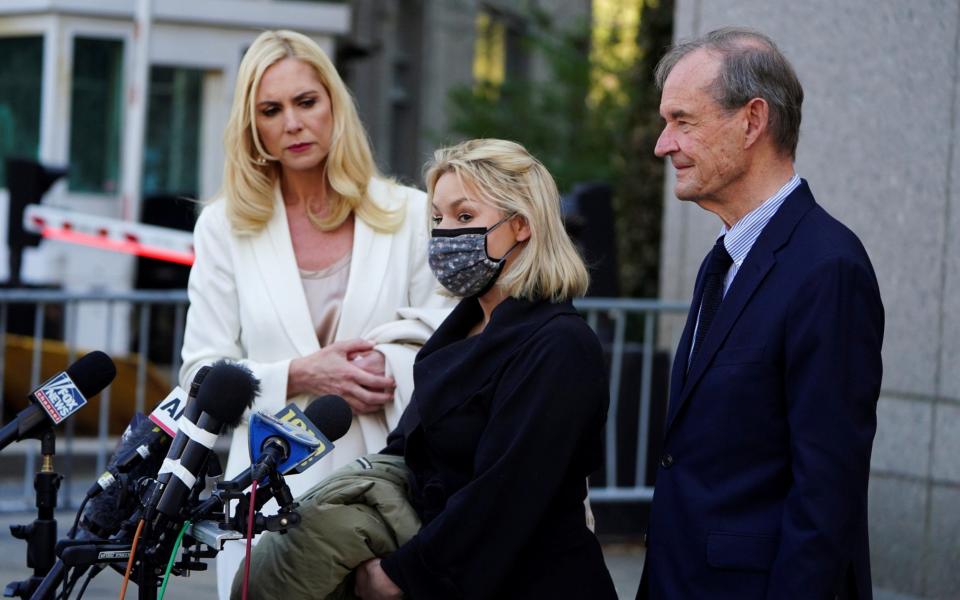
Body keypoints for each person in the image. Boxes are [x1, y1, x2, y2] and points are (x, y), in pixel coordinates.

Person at [178, 29, 452, 599]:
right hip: (266, 485)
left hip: (385, 484)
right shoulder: (225, 227)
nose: (293, 124)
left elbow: (445, 345)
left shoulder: (411, 216)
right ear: (253, 127)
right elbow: (200, 374)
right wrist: (301, 374)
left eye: (306, 102)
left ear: (334, 104)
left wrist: (384, 362)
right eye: (271, 110)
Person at [637, 28, 884, 599]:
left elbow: (826, 493)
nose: (662, 144)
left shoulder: (828, 268)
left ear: (752, 121)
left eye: (682, 121)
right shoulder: (724, 259)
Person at [351, 139, 618, 600]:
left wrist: (401, 575)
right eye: (437, 218)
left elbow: (506, 494)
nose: (445, 234)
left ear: (520, 225)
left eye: (465, 216)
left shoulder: (560, 345)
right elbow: (411, 456)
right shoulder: (457, 333)